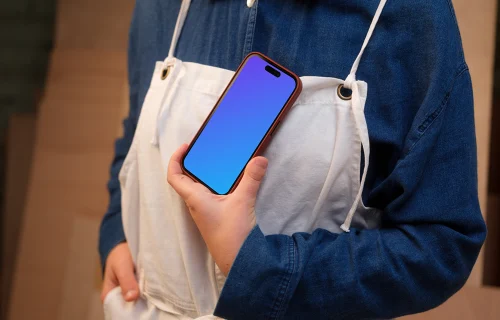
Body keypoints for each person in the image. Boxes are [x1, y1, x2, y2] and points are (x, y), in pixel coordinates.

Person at [99, 0, 487, 319]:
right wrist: (116, 232)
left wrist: (261, 267)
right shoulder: (160, 7)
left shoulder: (411, 15)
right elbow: (136, 134)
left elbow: (443, 243)